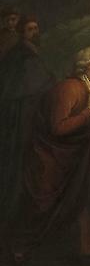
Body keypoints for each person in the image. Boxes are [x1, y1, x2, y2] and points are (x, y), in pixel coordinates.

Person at [12, 47, 90, 260]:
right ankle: (20, 247)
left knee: (83, 192)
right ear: (85, 65)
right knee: (41, 205)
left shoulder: (88, 88)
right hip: (49, 156)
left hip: (67, 154)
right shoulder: (70, 88)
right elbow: (58, 128)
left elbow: (88, 126)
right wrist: (89, 112)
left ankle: (79, 243)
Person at [0, 16, 55, 233]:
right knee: (16, 165)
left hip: (25, 119)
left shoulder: (29, 54)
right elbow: (37, 84)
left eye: (37, 28)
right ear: (22, 33)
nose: (35, 32)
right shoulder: (23, 57)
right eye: (31, 29)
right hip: (19, 121)